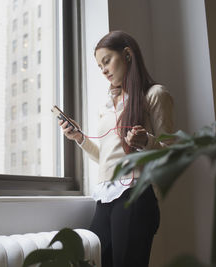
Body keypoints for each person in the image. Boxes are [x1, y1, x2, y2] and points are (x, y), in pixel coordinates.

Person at [58, 31, 174, 267]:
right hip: (105, 197)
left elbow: (172, 153)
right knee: (92, 262)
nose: (103, 70)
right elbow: (107, 159)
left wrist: (146, 142)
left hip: (135, 195)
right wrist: (80, 138)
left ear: (128, 55)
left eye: (107, 60)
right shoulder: (108, 106)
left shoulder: (155, 95)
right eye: (100, 65)